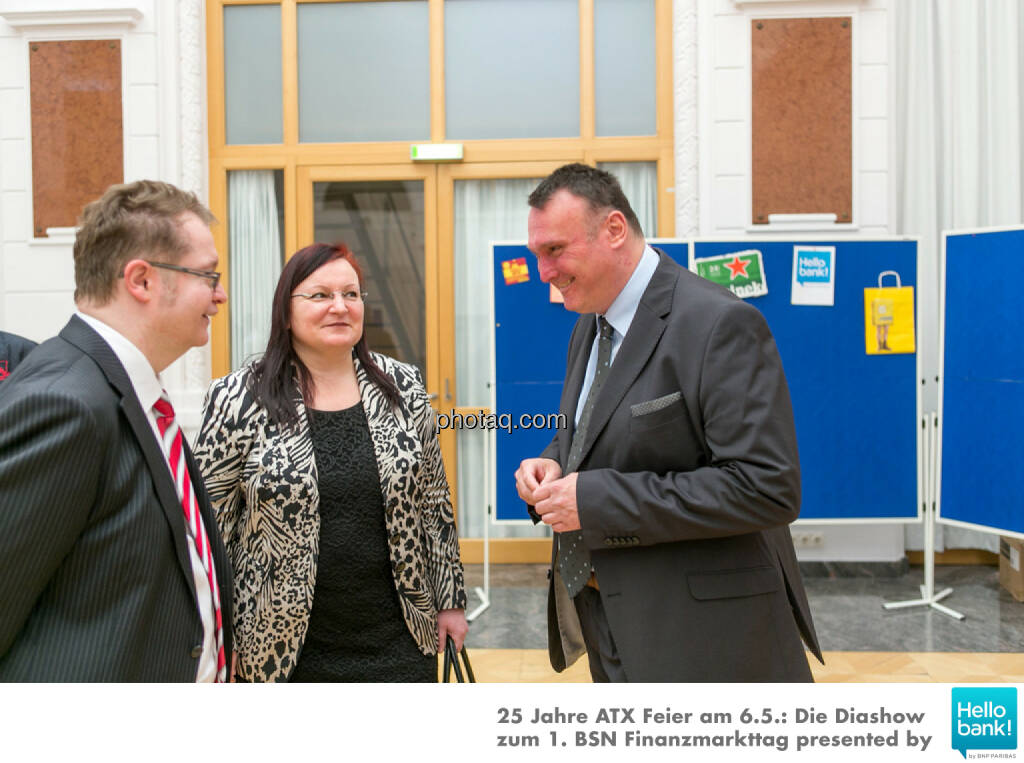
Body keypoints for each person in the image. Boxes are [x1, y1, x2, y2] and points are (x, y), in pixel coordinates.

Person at [515, 163, 822, 682]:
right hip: (611, 618)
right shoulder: (590, 325)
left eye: (555, 251)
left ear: (614, 230)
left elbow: (766, 488)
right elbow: (600, 432)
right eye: (537, 255)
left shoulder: (718, 322)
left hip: (705, 636)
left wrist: (591, 500)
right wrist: (551, 463)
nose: (544, 272)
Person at [194, 242, 467, 682]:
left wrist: (450, 601)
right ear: (286, 311)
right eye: (320, 295)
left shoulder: (402, 386)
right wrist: (206, 630)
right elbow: (210, 526)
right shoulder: (237, 397)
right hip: (278, 644)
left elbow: (434, 502)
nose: (340, 307)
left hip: (397, 637)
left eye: (351, 294)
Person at [0, 180, 233, 681]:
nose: (220, 294)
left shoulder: (130, 390)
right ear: (142, 281)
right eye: (207, 276)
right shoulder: (65, 403)